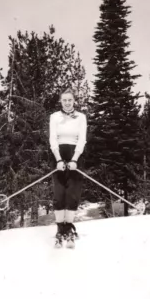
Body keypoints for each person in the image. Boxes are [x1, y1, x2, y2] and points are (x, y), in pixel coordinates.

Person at [49, 88, 87, 248]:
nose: (67, 102)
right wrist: (58, 159)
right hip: (57, 154)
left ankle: (69, 229)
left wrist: (74, 159)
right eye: (64, 100)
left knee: (72, 193)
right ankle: (60, 230)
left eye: (69, 100)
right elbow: (52, 139)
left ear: (74, 101)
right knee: (59, 193)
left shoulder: (81, 117)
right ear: (60, 101)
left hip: (75, 155)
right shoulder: (54, 117)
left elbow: (82, 139)